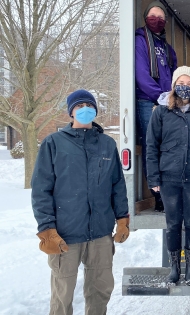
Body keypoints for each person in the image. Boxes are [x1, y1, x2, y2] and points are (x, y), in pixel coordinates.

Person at [31, 89, 129, 315]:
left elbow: (117, 185)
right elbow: (41, 189)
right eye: (79, 106)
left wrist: (122, 219)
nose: (85, 109)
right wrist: (47, 229)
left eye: (89, 105)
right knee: (62, 295)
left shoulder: (106, 144)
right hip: (64, 235)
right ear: (70, 113)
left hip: (101, 233)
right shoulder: (53, 143)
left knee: (100, 290)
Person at [146, 66, 190, 285]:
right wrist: (153, 179)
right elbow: (151, 146)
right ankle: (175, 268)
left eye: (189, 84)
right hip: (169, 177)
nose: (184, 88)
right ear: (174, 86)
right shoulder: (160, 112)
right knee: (173, 223)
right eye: (181, 83)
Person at [135, 0, 177, 211]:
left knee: (168, 147)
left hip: (168, 103)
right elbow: (141, 74)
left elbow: (176, 76)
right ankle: (157, 195)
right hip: (148, 102)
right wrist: (158, 95)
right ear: (145, 18)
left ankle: (170, 191)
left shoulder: (167, 49)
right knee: (153, 147)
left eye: (161, 17)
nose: (157, 20)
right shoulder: (140, 42)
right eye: (153, 15)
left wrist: (174, 97)